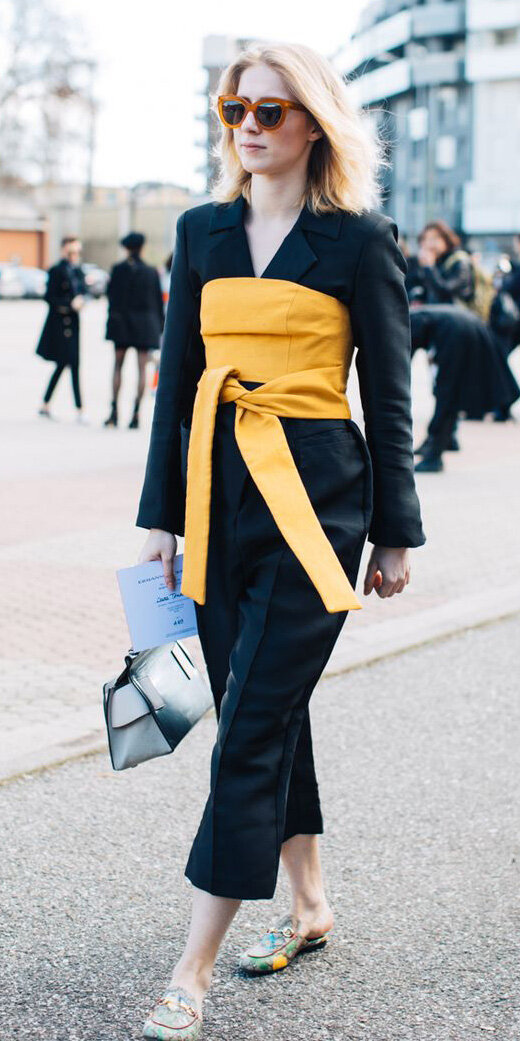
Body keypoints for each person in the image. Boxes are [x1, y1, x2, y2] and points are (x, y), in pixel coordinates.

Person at [135, 41, 426, 1040]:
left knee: (248, 728)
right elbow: (175, 391)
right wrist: (156, 527)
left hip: (318, 516)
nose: (249, 127)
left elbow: (387, 398)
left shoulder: (357, 240)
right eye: (235, 111)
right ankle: (309, 908)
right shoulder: (200, 231)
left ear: (313, 123)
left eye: (270, 110)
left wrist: (395, 534)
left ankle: (191, 969)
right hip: (217, 511)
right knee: (271, 708)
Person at [411, 304, 520, 471]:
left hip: (457, 333)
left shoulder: (408, 320)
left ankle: (435, 454)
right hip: (466, 327)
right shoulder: (416, 315)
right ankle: (444, 440)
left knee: (447, 393)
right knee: (450, 391)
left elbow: (403, 357)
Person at [103, 232, 164, 429]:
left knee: (117, 366)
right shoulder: (150, 271)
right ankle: (136, 415)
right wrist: (160, 328)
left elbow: (111, 298)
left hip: (121, 323)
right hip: (145, 325)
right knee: (141, 369)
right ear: (142, 247)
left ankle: (113, 413)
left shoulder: (118, 269)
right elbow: (157, 302)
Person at [36, 236, 87, 422]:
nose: (75, 256)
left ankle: (46, 404)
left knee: (67, 364)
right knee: (69, 363)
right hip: (59, 324)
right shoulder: (56, 270)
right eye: (71, 252)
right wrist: (69, 304)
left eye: (77, 252)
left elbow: (83, 291)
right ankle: (79, 409)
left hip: (73, 323)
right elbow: (50, 297)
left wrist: (82, 300)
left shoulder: (78, 270)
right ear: (64, 251)